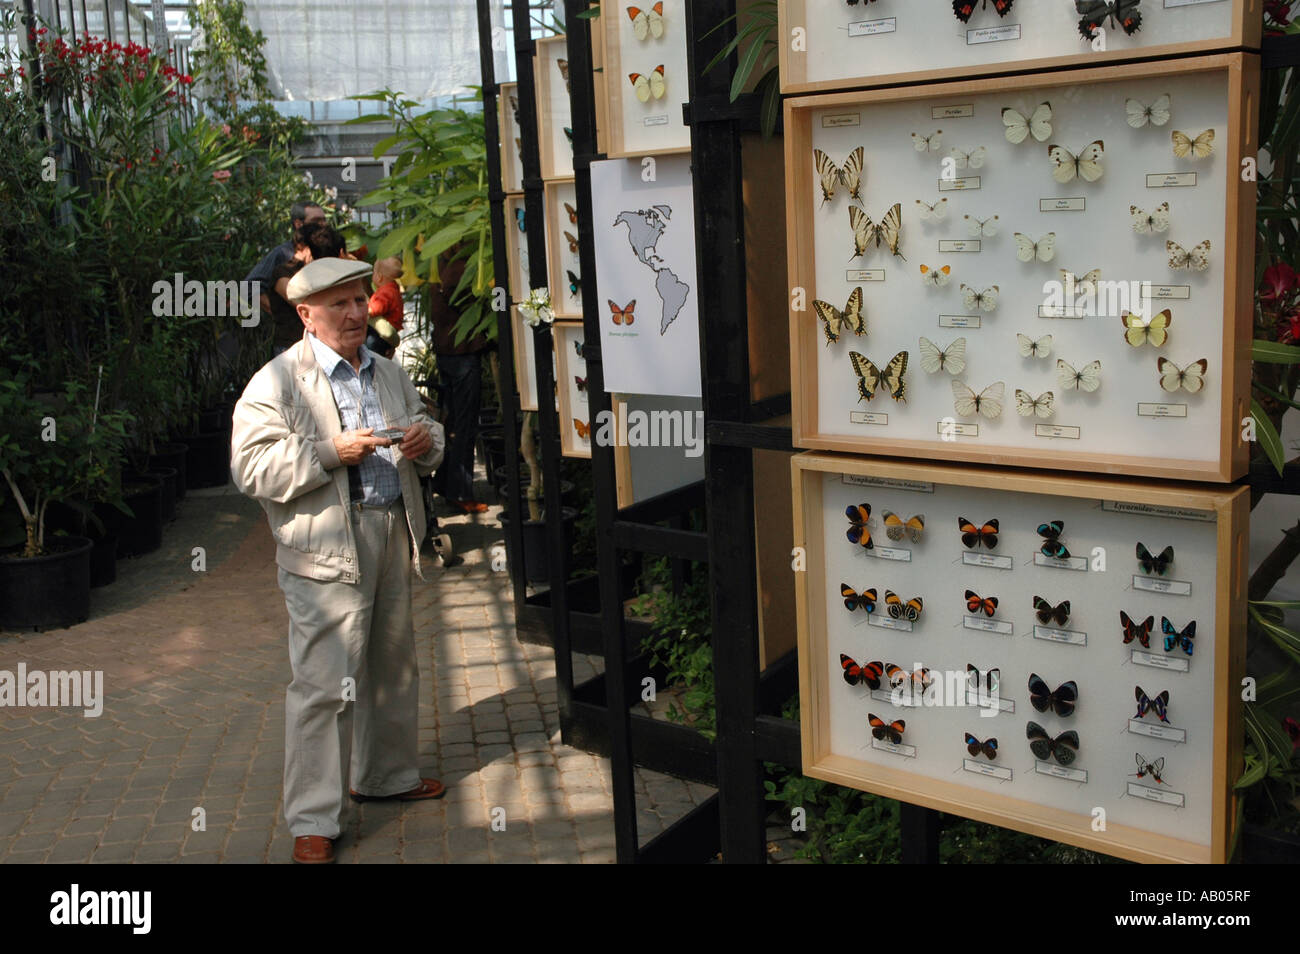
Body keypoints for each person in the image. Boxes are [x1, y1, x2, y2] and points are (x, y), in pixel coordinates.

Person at [229, 257, 448, 865]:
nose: (356, 314)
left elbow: (429, 427)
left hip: (391, 533)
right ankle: (314, 818)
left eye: (359, 301)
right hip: (325, 551)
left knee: (391, 665)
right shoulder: (276, 381)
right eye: (340, 305)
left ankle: (386, 776)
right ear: (306, 315)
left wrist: (426, 441)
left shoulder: (385, 370)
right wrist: (329, 452)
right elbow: (250, 468)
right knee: (325, 687)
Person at [429, 248, 490, 514]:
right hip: (461, 353)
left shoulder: (439, 260)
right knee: (464, 425)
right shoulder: (457, 266)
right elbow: (467, 300)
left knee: (453, 422)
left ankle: (445, 483)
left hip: (447, 352)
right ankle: (460, 491)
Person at [368, 256, 406, 332]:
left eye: (374, 273)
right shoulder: (394, 290)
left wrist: (364, 310)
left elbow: (375, 309)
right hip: (391, 331)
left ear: (379, 277)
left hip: (382, 334)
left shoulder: (385, 292)